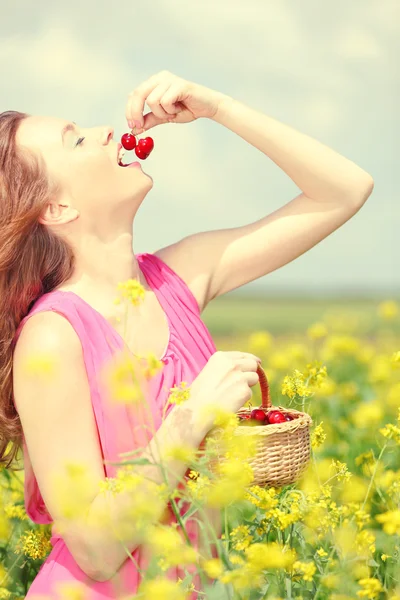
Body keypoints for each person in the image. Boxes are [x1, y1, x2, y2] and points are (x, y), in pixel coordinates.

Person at [0, 71, 374, 598]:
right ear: (57, 209)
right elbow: (96, 549)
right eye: (77, 139)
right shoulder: (53, 337)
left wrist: (217, 106)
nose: (106, 130)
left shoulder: (178, 277)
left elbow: (345, 190)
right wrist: (192, 417)